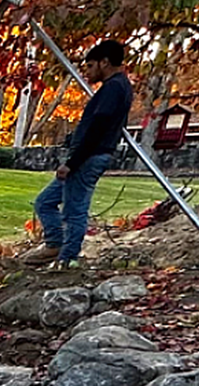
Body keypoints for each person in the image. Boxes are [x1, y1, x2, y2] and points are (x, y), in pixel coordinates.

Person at [28, 39, 134, 269]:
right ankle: (54, 245)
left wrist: (73, 162)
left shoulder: (114, 88)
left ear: (104, 62)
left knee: (74, 210)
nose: (86, 71)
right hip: (87, 155)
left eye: (90, 65)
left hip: (88, 158)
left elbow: (99, 127)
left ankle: (67, 260)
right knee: (45, 202)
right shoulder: (117, 87)